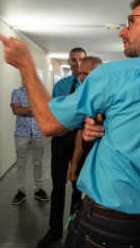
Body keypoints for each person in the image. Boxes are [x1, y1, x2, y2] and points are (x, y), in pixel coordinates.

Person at [0, 0, 140, 248]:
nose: (122, 32)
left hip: (107, 225)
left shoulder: (116, 74)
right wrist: (107, 128)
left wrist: (25, 65)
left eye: (131, 22)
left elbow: (49, 123)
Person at [37, 47, 86, 247]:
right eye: (73, 60)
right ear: (69, 61)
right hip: (60, 139)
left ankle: (74, 228)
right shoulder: (61, 86)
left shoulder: (91, 85)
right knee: (58, 186)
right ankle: (55, 230)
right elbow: (55, 112)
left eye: (81, 60)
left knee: (78, 187)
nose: (77, 64)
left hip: (81, 139)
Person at [10, 82, 50, 205]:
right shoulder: (16, 92)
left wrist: (26, 110)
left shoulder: (40, 94)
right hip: (22, 134)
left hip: (38, 133)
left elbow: (44, 110)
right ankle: (20, 191)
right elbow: (16, 110)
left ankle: (39, 189)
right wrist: (34, 110)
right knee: (21, 163)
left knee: (38, 163)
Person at [67, 56, 103, 184]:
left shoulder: (108, 99)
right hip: (86, 160)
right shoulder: (86, 97)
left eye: (85, 74)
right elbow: (81, 133)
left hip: (103, 167)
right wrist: (75, 163)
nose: (81, 78)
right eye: (80, 73)